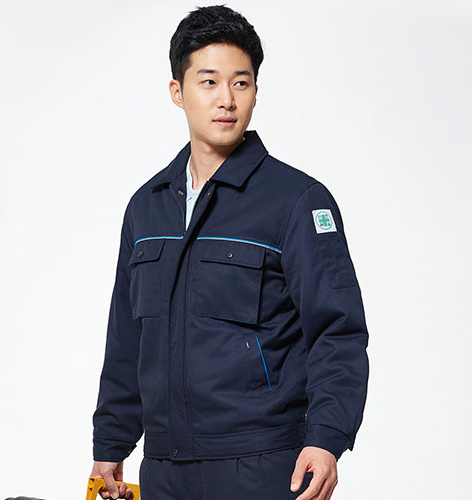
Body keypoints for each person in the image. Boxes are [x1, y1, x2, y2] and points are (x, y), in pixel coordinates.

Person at [90, 5, 369, 500]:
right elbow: (127, 339)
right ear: (177, 92)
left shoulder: (297, 201)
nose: (226, 99)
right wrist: (111, 443)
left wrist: (327, 438)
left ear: (256, 91)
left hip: (264, 465)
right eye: (209, 82)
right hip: (165, 469)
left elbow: (337, 331)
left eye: (241, 83)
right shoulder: (147, 208)